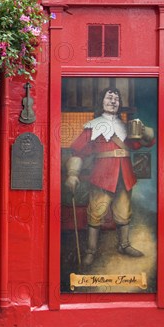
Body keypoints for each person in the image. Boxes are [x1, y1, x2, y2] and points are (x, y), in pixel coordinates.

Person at [65, 87, 155, 267]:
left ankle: (124, 245)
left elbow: (146, 142)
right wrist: (73, 174)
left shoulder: (127, 126)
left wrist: (144, 131)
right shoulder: (92, 126)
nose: (113, 101)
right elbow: (77, 152)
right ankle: (91, 251)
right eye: (109, 97)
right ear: (102, 101)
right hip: (102, 177)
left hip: (125, 175)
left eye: (116, 98)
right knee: (95, 214)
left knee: (123, 213)